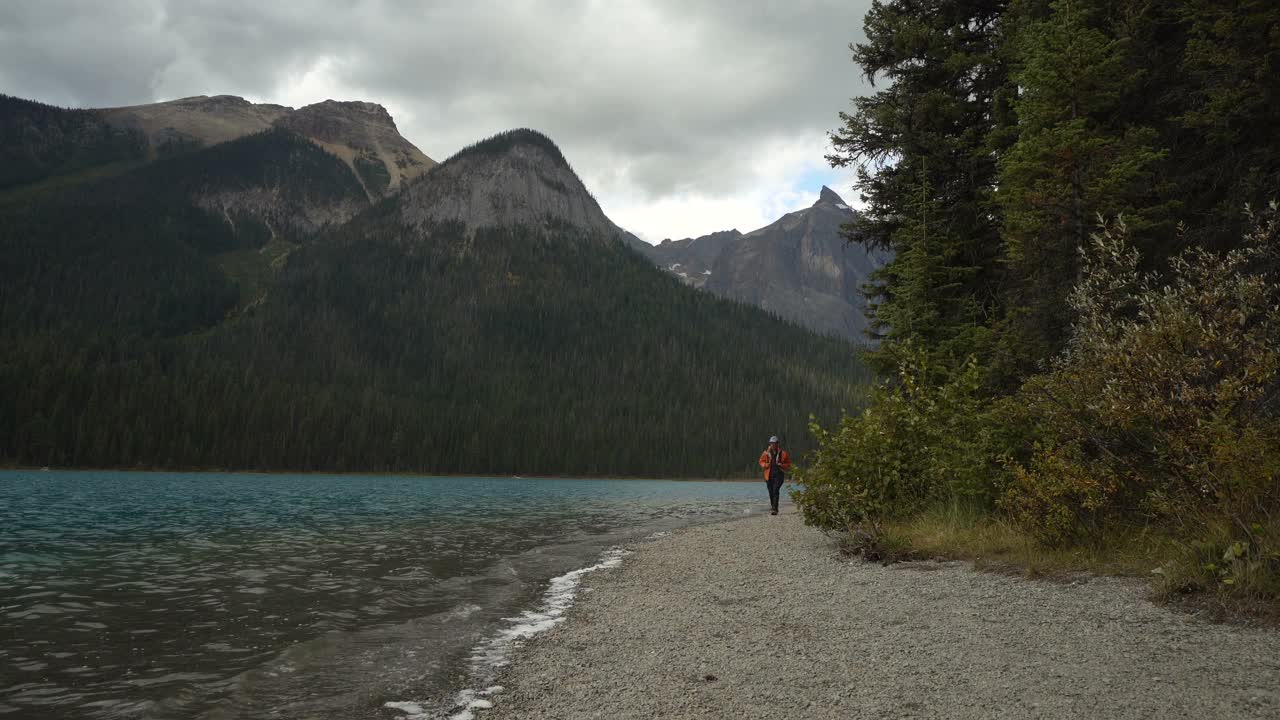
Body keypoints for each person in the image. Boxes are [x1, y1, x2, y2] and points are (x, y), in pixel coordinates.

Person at [758, 435, 792, 515]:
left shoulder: (783, 453)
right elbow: (761, 461)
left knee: (775, 490)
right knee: (771, 492)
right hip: (768, 475)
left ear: (778, 444)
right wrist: (765, 465)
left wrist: (782, 465)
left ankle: (775, 509)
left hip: (779, 475)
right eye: (772, 443)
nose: (773, 445)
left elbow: (788, 464)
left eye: (775, 443)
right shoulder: (765, 453)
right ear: (770, 444)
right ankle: (773, 506)